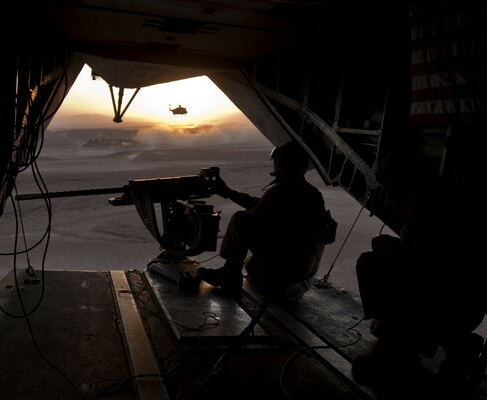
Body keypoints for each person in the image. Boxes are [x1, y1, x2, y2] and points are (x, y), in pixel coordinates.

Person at [353, 144, 486, 391]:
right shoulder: (455, 195)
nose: (388, 182)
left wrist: (381, 243)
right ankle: (458, 345)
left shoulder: (428, 199)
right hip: (468, 304)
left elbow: (414, 255)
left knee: (369, 264)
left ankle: (398, 350)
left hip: (444, 303)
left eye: (391, 175)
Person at [197, 141, 332, 300]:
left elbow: (254, 213)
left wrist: (226, 191)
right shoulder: (312, 193)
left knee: (241, 220)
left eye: (277, 163)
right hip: (307, 265)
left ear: (283, 165)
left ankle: (230, 275)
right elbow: (260, 205)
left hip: (292, 264)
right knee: (251, 264)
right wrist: (228, 192)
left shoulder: (281, 191)